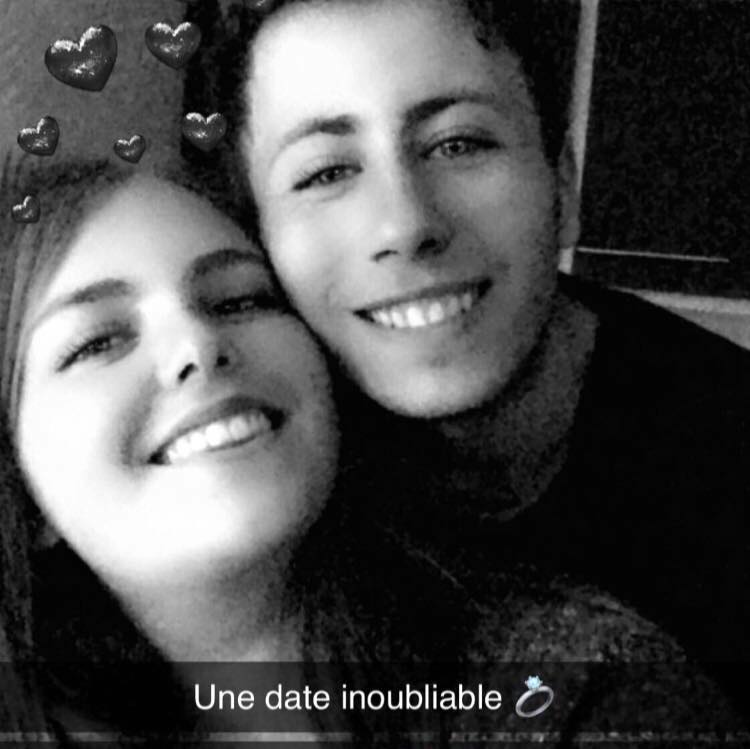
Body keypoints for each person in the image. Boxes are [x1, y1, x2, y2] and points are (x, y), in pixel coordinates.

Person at [1, 157, 745, 744]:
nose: (197, 344)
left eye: (240, 299)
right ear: (24, 493)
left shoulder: (570, 690)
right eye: (97, 341)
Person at [184, 0, 750, 712]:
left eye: (458, 144)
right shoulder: (254, 467)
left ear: (563, 186)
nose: (406, 224)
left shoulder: (725, 453)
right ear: (256, 234)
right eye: (325, 173)